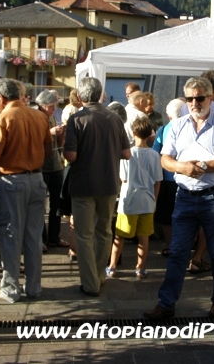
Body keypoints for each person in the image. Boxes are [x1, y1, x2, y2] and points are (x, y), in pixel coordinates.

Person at [144, 77, 214, 320]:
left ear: (210, 98)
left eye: (199, 97)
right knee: (177, 252)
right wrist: (181, 167)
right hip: (185, 196)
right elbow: (165, 159)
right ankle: (166, 304)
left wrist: (205, 165)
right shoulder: (176, 126)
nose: (195, 103)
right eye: (190, 98)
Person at [0, 78, 52, 303]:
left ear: (1, 98)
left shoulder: (4, 117)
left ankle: (10, 288)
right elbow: (47, 151)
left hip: (12, 181)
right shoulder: (39, 116)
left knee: (10, 235)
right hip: (37, 179)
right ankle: (34, 286)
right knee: (34, 236)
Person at [64, 77, 131, 297]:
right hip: (109, 183)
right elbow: (126, 153)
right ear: (101, 94)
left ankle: (90, 282)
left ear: (81, 96)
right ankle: (100, 276)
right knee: (104, 232)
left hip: (84, 183)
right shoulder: (115, 119)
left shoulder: (76, 119)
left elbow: (71, 156)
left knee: (84, 235)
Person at [107, 117, 162, 279]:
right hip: (147, 201)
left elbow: (122, 178)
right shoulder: (154, 155)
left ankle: (112, 266)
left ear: (133, 132)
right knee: (143, 237)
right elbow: (158, 181)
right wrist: (155, 201)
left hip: (128, 200)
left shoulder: (127, 154)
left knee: (120, 236)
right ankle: (140, 268)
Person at [34, 90, 68, 248]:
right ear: (41, 105)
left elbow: (58, 145)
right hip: (41, 167)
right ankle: (41, 239)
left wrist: (61, 133)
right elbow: (32, 139)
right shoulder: (35, 117)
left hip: (55, 165)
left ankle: (54, 237)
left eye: (55, 106)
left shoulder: (52, 118)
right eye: (51, 106)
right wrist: (50, 132)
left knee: (57, 204)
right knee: (39, 205)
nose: (54, 109)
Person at [153, 98, 185, 255]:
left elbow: (155, 153)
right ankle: (185, 245)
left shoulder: (164, 130)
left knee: (167, 216)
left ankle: (171, 245)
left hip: (167, 178)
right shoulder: (192, 127)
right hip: (187, 178)